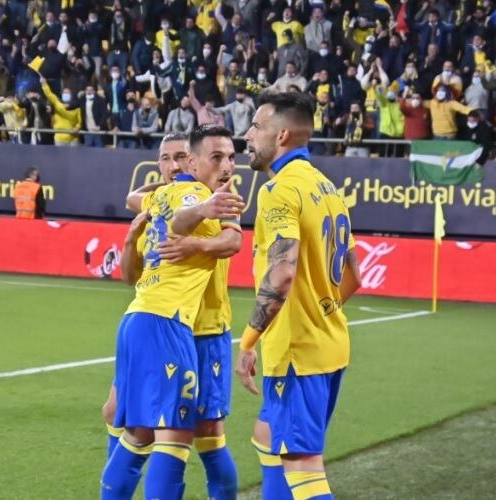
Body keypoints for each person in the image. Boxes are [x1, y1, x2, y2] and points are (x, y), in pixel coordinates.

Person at [100, 125, 244, 500]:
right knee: (159, 431)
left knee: (198, 434)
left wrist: (197, 222)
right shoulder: (189, 197)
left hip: (201, 327)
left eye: (179, 157)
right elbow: (182, 218)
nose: (172, 164)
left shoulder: (202, 198)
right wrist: (197, 209)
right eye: (166, 158)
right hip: (169, 324)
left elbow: (226, 239)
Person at [239, 91, 362, 499]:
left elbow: (283, 272)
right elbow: (353, 276)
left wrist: (249, 339)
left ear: (283, 135)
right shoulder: (329, 190)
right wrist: (321, 310)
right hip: (330, 347)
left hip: (296, 352)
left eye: (256, 126)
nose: (247, 135)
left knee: (303, 467)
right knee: (272, 439)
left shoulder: (279, 190)